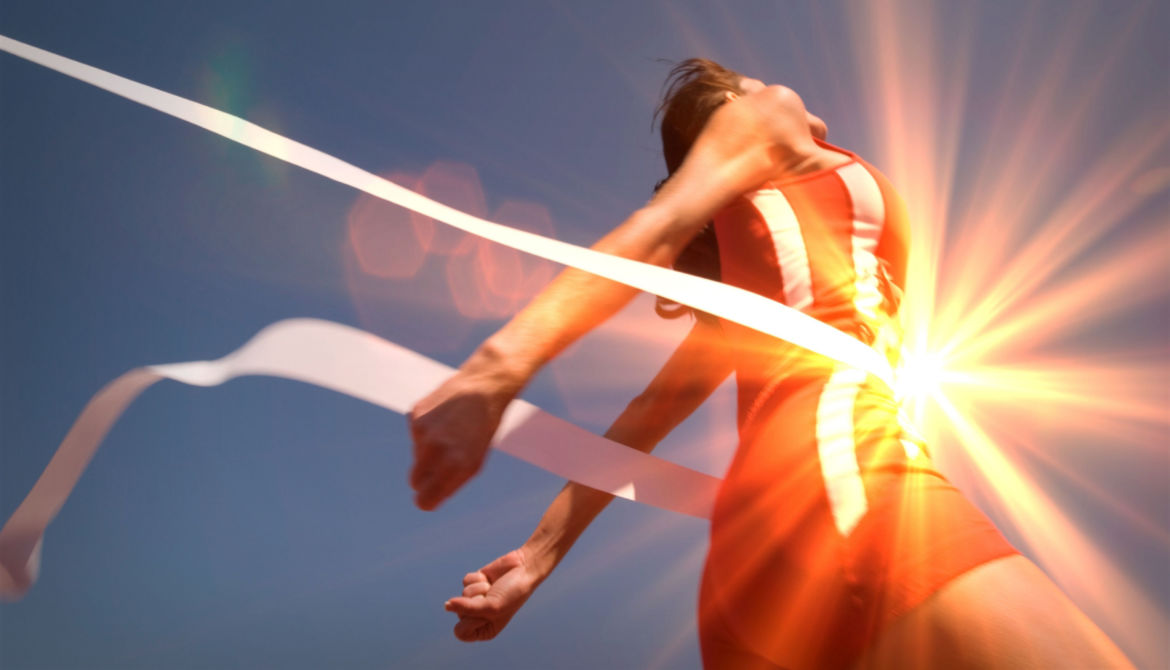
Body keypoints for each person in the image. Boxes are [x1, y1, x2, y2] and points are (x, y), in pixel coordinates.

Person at [408, 59, 1133, 669]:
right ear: (732, 109)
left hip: (751, 570)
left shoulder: (751, 292)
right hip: (841, 481)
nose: (769, 86)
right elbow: (656, 231)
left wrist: (536, 559)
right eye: (745, 85)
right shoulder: (769, 114)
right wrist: (495, 369)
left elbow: (644, 420)